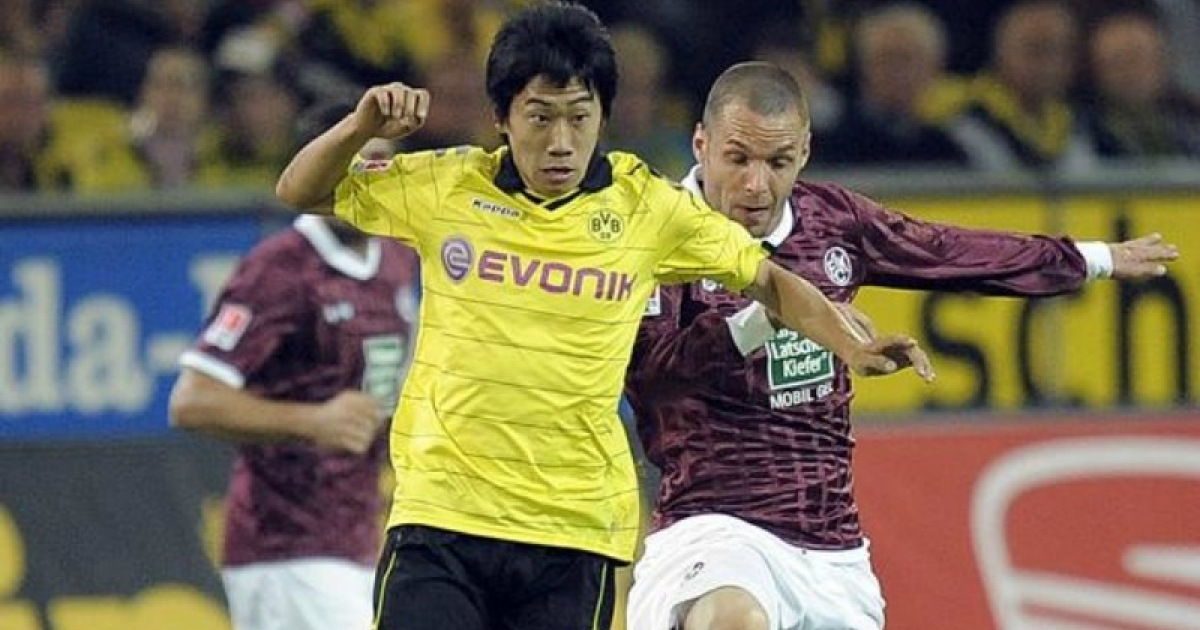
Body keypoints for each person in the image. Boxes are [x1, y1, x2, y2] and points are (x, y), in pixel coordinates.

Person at [272, 4, 932, 630]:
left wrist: (849, 346)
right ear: (501, 117)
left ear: (602, 116)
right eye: (540, 117)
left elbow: (770, 281)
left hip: (573, 532)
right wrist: (358, 127)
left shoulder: (647, 208)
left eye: (579, 117)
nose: (561, 142)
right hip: (441, 519)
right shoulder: (446, 186)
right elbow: (300, 190)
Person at [624, 61, 1179, 630]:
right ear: (702, 143)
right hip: (712, 528)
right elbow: (653, 377)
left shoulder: (832, 221)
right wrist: (771, 315)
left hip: (831, 551)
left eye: (778, 162)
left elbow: (950, 252)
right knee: (733, 619)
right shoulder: (657, 233)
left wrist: (1093, 258)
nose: (755, 185)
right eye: (738, 159)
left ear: (805, 152)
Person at [168, 102, 420, 630]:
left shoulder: (398, 261)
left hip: (361, 536)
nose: (368, 178)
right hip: (285, 545)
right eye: (353, 159)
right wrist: (313, 421)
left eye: (380, 162)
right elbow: (192, 400)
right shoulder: (280, 269)